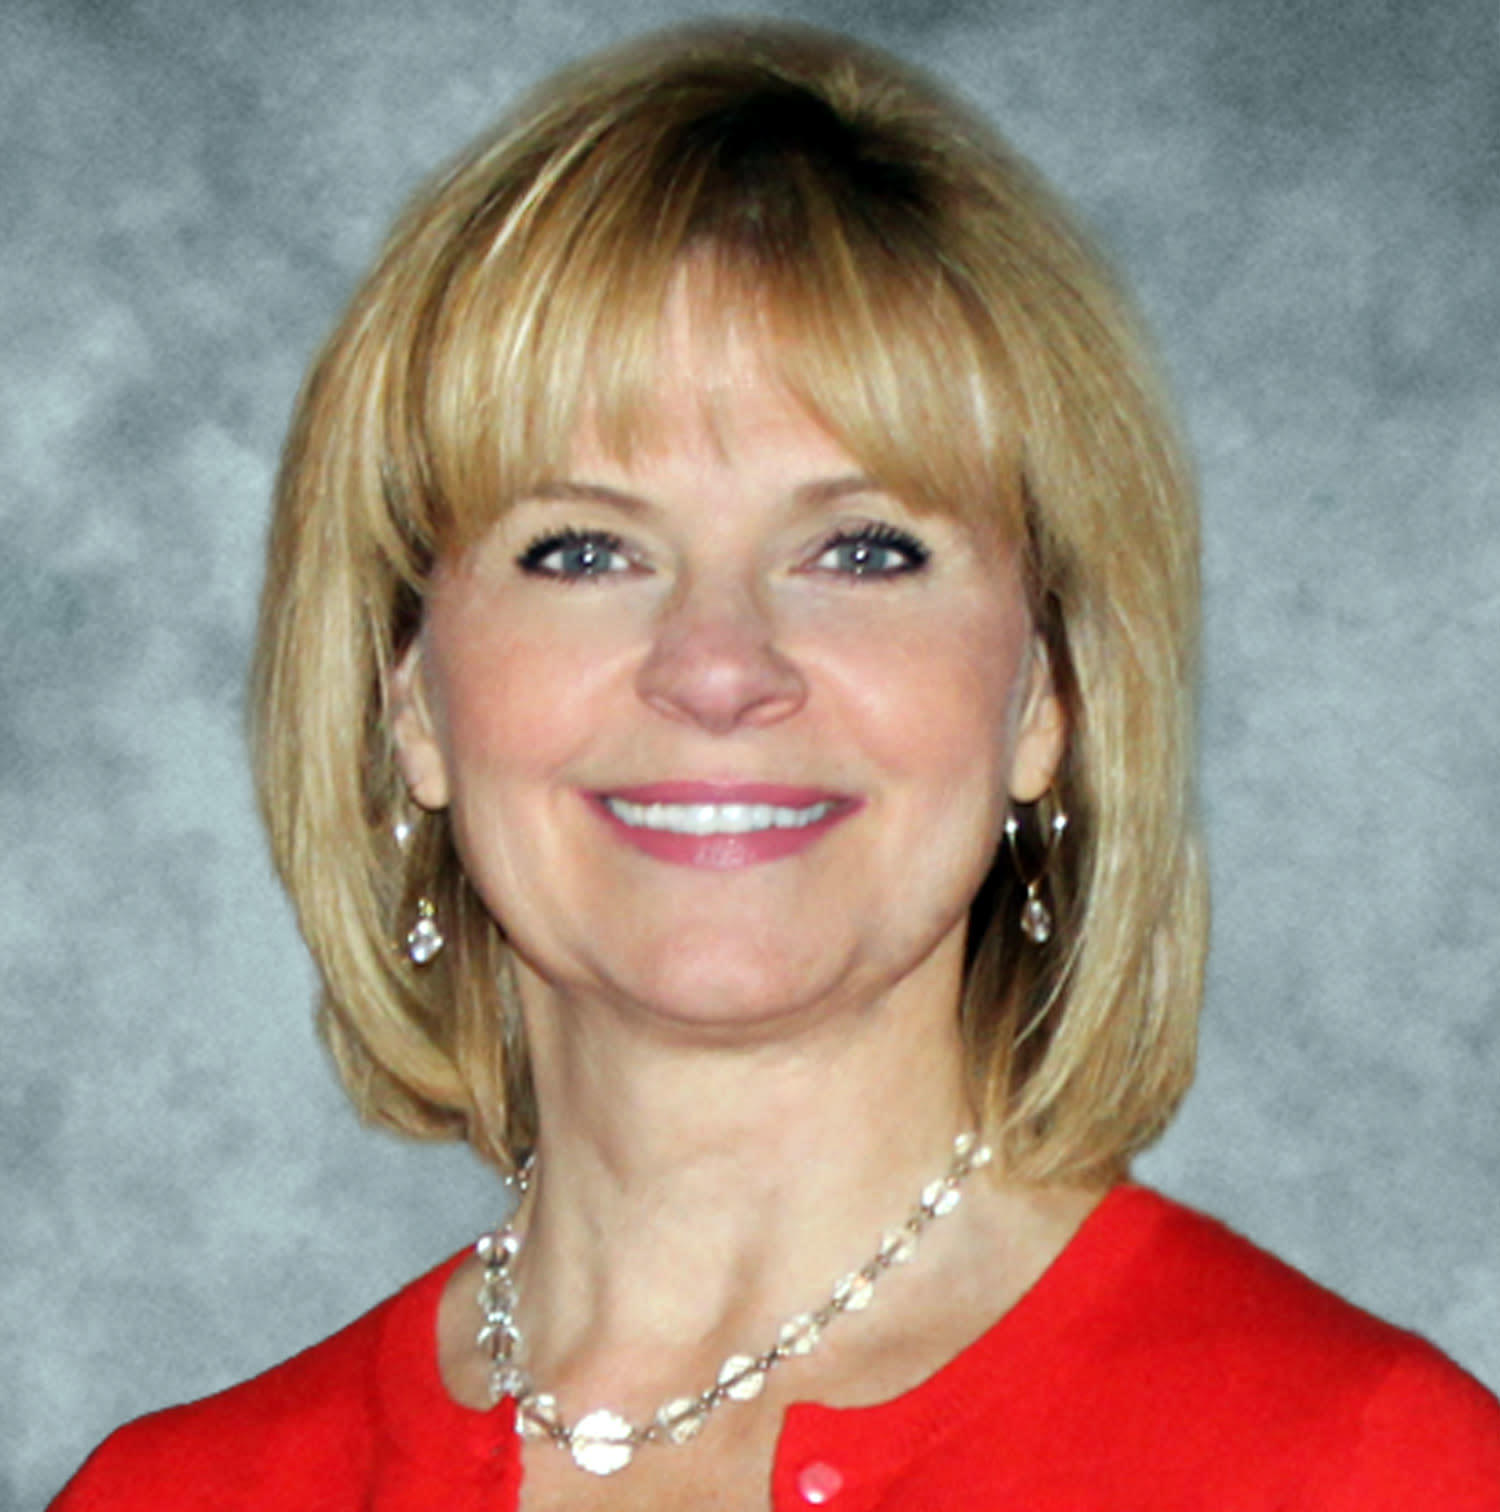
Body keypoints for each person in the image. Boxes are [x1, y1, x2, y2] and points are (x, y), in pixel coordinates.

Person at [52, 20, 1500, 1510]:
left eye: (863, 550)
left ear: (1044, 695)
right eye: (583, 550)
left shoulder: (1364, 1466)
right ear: (411, 698)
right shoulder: (173, 1496)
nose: (718, 665)